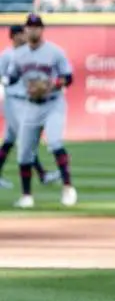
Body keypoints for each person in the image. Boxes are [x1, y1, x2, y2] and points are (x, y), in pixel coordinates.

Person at [1, 15, 77, 208]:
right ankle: (27, 196)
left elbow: (68, 77)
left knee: (54, 142)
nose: (33, 30)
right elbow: (11, 76)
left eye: (36, 27)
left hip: (53, 103)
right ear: (25, 30)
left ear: (42, 30)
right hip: (30, 105)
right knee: (24, 152)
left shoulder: (55, 52)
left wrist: (52, 85)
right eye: (30, 27)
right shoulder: (18, 55)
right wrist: (5, 83)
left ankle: (68, 188)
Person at [0, 25, 58, 189]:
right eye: (20, 34)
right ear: (13, 36)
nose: (24, 37)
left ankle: (43, 174)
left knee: (10, 140)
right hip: (13, 101)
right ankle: (43, 174)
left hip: (25, 101)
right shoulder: (7, 55)